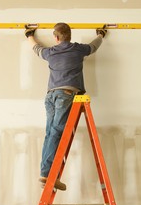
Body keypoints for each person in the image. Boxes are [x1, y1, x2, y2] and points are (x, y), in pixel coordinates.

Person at [25, 22, 107, 191]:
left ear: (56, 38)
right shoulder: (77, 49)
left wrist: (29, 35)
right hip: (66, 95)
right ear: (70, 36)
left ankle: (45, 173)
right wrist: (101, 35)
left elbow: (36, 48)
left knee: (50, 133)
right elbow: (93, 47)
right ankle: (48, 175)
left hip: (50, 96)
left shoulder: (50, 52)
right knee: (56, 133)